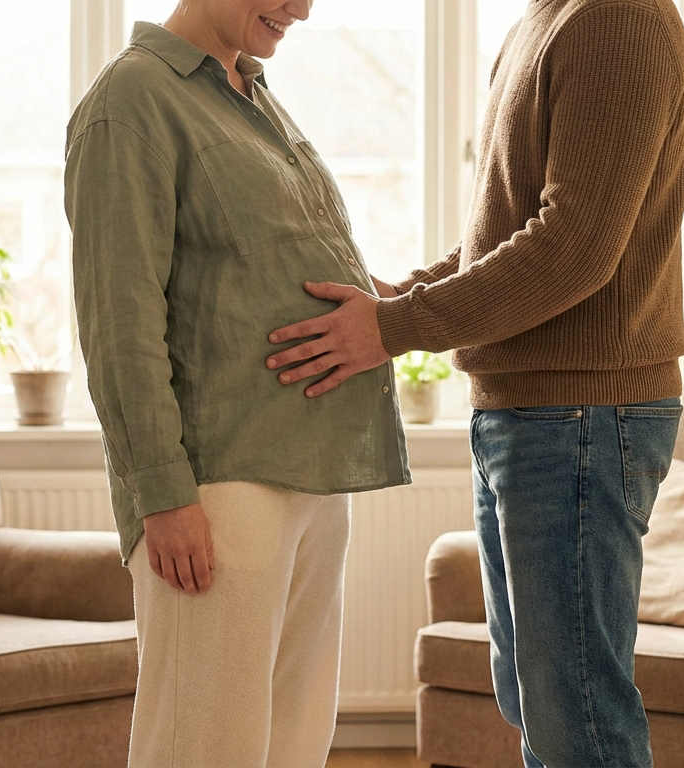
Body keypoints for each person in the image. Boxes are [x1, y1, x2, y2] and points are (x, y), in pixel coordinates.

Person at [264, 0, 684, 765]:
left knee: (577, 719)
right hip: (535, 413)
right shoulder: (547, 21)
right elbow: (503, 237)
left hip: (580, 415)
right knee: (536, 702)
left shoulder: (615, 20)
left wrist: (395, 327)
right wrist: (398, 298)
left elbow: (574, 247)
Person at [63, 2, 409, 766]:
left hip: (314, 476)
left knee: (294, 744)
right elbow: (118, 322)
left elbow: (269, 272)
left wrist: (408, 311)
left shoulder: (252, 91)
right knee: (203, 748)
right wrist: (164, 494)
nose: (303, 8)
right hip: (221, 487)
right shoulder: (133, 100)